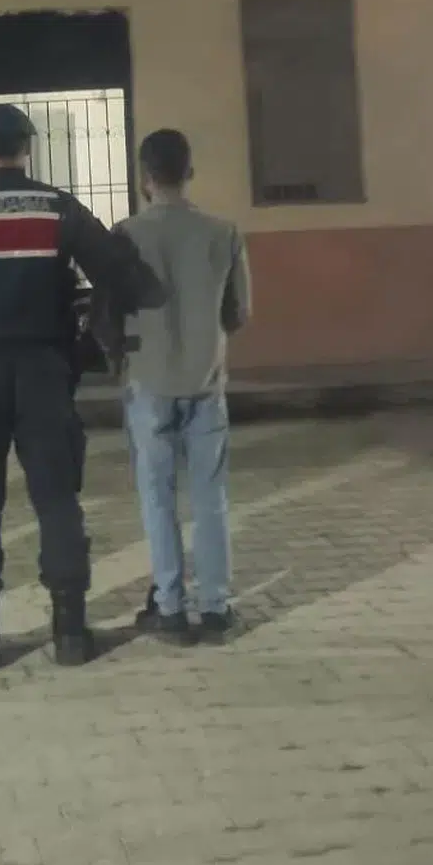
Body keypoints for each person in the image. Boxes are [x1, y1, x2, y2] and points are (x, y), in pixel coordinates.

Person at [0, 104, 164, 670]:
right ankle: (70, 632)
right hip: (46, 374)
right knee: (56, 499)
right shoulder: (58, 208)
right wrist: (89, 332)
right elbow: (121, 274)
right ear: (26, 148)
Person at [117, 129, 251, 646]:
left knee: (157, 496)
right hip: (206, 379)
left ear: (144, 177)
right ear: (189, 172)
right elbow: (239, 311)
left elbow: (111, 311)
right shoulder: (223, 233)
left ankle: (170, 607)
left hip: (148, 379)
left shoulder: (126, 235)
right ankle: (215, 607)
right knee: (210, 496)